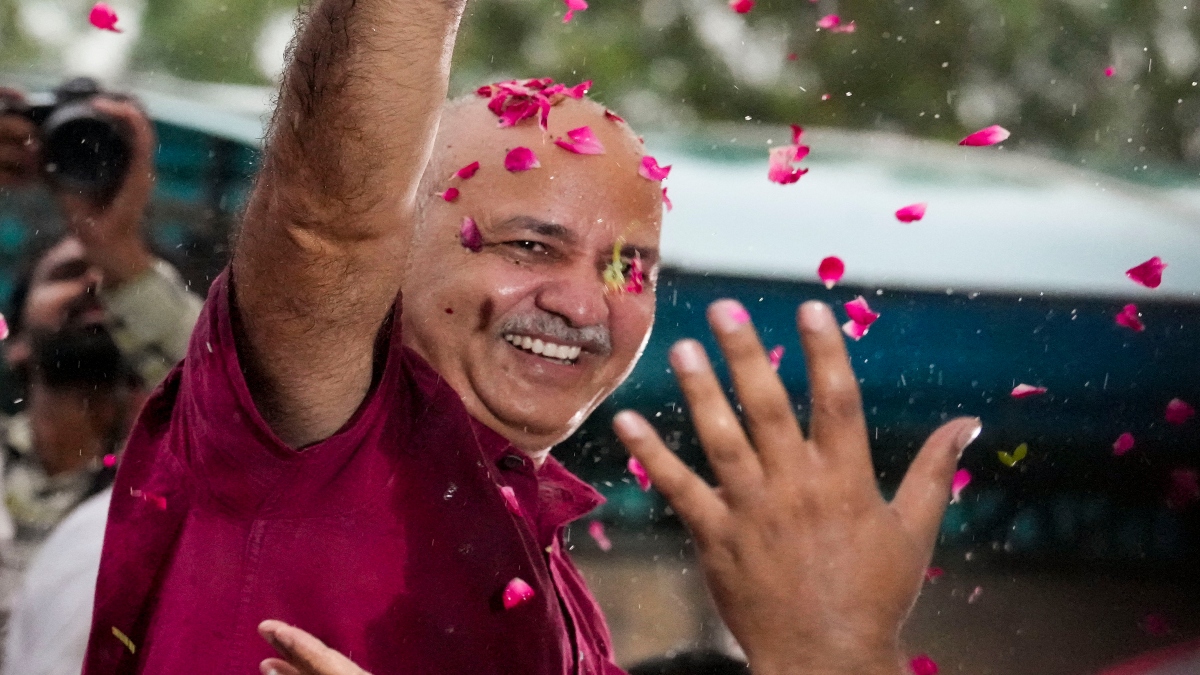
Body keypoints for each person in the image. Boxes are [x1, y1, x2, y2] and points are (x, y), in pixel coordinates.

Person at [81, 0, 982, 673]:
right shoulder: (310, 433)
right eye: (527, 245)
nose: (586, 305)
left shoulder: (564, 595)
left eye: (631, 266)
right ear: (394, 253)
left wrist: (839, 654)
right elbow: (326, 222)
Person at [0, 91, 203, 674]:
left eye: (115, 285)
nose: (96, 285)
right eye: (68, 273)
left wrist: (114, 245)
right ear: (15, 341)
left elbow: (238, 393)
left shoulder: (178, 487)